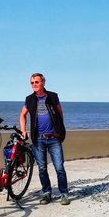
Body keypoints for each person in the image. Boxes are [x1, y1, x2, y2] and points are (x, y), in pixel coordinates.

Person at [20, 73, 70, 205]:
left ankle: (64, 194)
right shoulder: (29, 99)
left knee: (59, 167)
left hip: (54, 139)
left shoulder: (53, 96)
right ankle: (47, 192)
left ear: (43, 82)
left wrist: (60, 130)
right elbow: (22, 115)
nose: (34, 85)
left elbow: (60, 113)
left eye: (36, 82)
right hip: (38, 139)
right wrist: (23, 130)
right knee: (42, 168)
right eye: (32, 83)